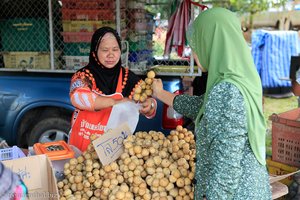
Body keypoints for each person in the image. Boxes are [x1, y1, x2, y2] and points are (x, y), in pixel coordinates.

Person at [152, 8, 271, 199]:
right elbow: (203, 107)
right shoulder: (241, 76)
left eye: (197, 46)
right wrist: (160, 93)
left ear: (213, 44)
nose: (194, 55)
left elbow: (227, 169)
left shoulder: (227, 90)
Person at [68, 27, 157, 152]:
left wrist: (150, 106)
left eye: (115, 49)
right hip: (83, 144)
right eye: (105, 50)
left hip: (112, 149)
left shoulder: (127, 77)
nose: (111, 55)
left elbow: (147, 100)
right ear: (95, 51)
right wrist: (115, 102)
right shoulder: (83, 76)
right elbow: (78, 98)